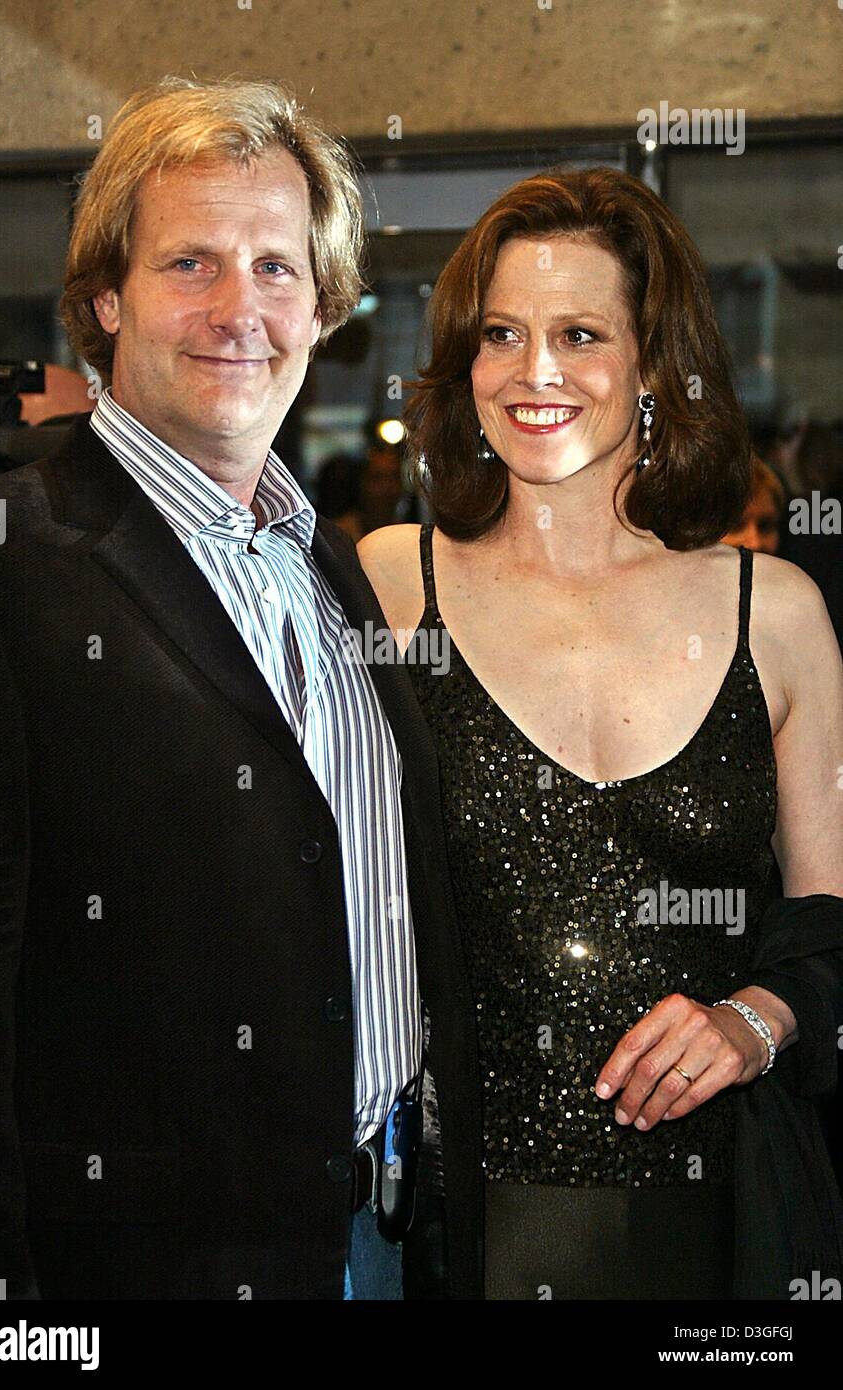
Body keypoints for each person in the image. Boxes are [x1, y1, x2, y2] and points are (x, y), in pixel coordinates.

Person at [0, 75, 484, 1301]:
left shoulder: (329, 562)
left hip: (385, 1240)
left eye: (276, 266)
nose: (240, 307)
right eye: (190, 263)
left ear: (325, 303)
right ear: (104, 298)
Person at [358, 167, 843, 1299]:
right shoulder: (389, 587)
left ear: (653, 368)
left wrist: (752, 1021)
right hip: (461, 1226)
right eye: (500, 334)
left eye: (578, 333)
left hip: (728, 1223)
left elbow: (830, 927)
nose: (534, 372)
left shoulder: (771, 613)